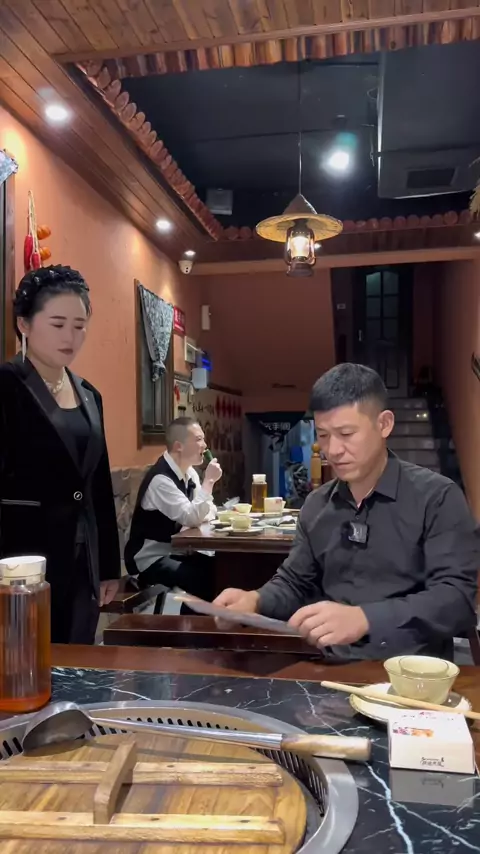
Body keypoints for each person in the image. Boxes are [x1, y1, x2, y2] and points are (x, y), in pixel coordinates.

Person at [214, 363, 479, 660]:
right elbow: (295, 582)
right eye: (323, 435)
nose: (333, 450)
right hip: (328, 665)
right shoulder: (317, 504)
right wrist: (255, 600)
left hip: (410, 671)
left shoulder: (438, 498)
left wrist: (365, 619)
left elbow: (456, 599)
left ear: (384, 424)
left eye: (346, 433)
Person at [0, 265, 120, 643]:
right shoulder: (5, 386)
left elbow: (98, 483)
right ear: (24, 324)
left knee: (78, 654)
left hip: (83, 558)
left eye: (80, 325)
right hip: (22, 558)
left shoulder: (89, 394)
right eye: (57, 324)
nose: (71, 336)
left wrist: (108, 566)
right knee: (25, 658)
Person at [124, 417, 222, 601]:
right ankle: (193, 619)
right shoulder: (161, 480)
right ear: (179, 446)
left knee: (218, 568)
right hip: (149, 559)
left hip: (175, 551)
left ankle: (196, 618)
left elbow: (210, 509)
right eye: (198, 439)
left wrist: (199, 513)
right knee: (201, 579)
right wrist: (209, 481)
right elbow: (192, 516)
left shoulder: (189, 472)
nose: (205, 445)